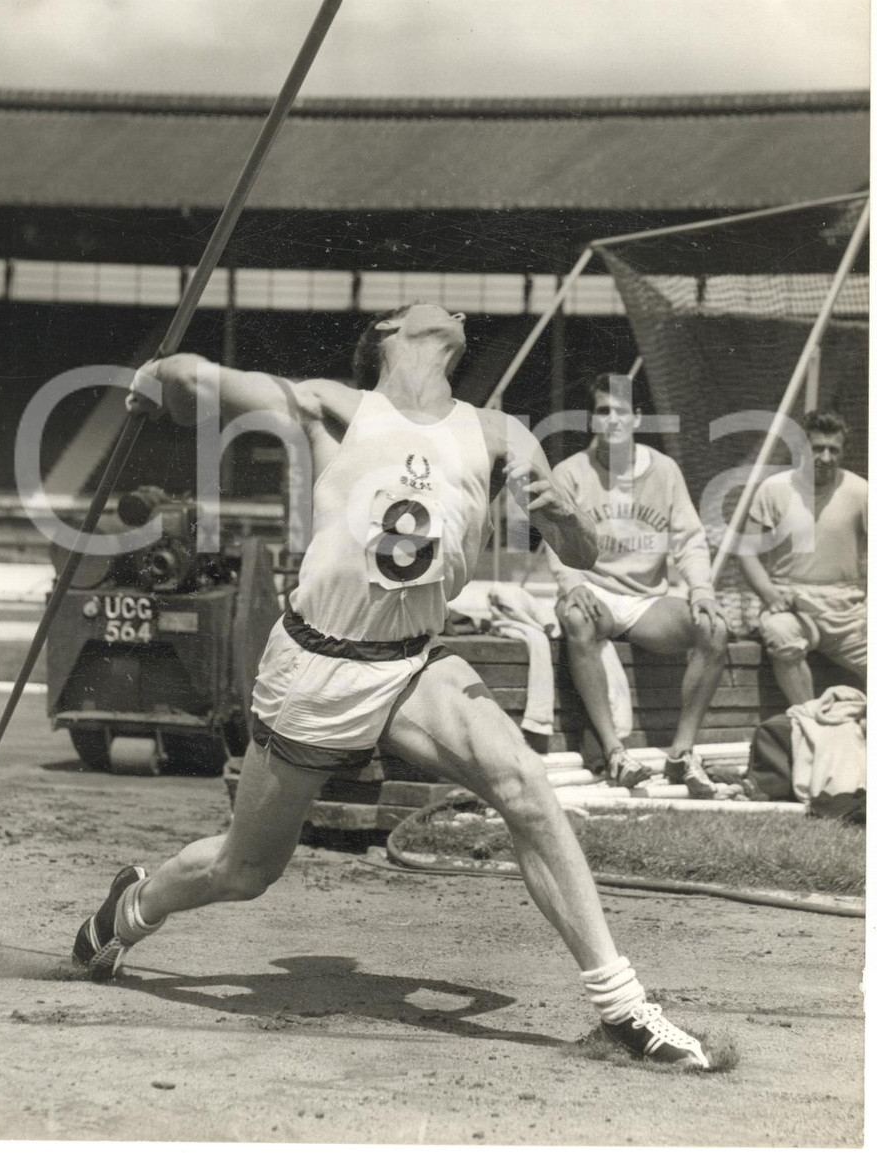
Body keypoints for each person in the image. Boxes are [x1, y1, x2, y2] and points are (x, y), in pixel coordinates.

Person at [73, 306, 711, 1069]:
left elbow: (583, 547)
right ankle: (132, 906)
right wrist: (153, 378)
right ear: (388, 329)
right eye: (435, 304)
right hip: (318, 664)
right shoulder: (330, 407)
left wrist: (570, 523)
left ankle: (622, 1005)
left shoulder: (505, 435)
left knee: (525, 784)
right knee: (243, 870)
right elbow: (198, 380)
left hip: (413, 661)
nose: (459, 311)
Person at [545, 374, 728, 797]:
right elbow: (555, 540)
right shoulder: (570, 472)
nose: (612, 420)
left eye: (620, 412)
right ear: (592, 421)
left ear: (637, 418)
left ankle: (682, 753)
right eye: (603, 412)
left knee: (714, 628)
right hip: (597, 593)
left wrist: (701, 589)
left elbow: (689, 539)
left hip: (648, 600)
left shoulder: (664, 470)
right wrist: (572, 583)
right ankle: (615, 753)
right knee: (576, 617)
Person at [738, 410, 867, 707]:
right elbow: (746, 553)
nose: (825, 457)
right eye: (817, 448)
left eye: (833, 449)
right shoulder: (774, 489)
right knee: (780, 633)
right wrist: (770, 596)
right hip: (792, 603)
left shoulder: (862, 492)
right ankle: (811, 722)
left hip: (845, 610)